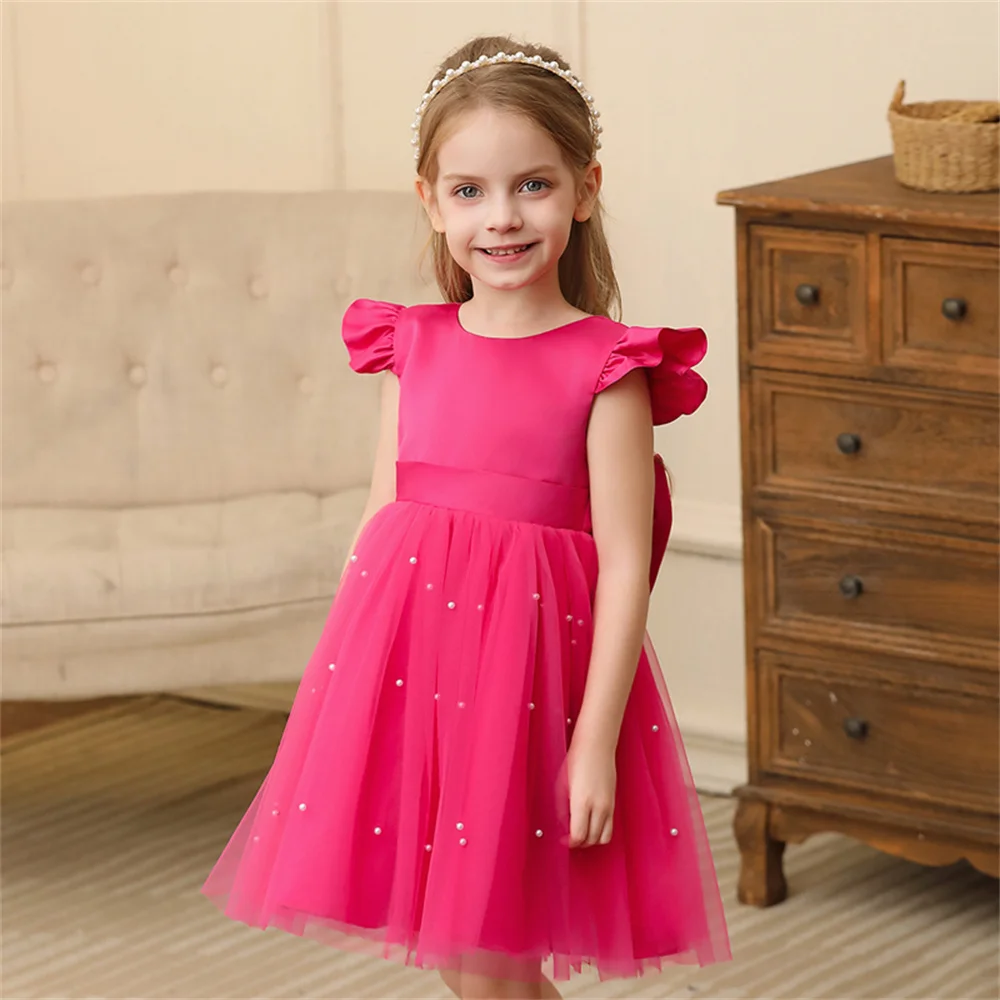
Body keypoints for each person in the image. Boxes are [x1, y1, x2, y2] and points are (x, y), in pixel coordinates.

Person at [201, 34, 731, 1000]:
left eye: (533, 185)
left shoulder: (607, 368)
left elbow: (624, 564)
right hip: (417, 682)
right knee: (465, 962)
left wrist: (593, 741)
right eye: (470, 191)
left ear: (584, 188)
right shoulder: (411, 346)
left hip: (532, 697)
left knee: (491, 969)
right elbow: (382, 522)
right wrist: (341, 699)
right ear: (431, 200)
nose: (502, 217)